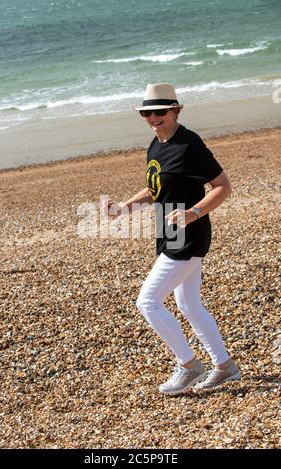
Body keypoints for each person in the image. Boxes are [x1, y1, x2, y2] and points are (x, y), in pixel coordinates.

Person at [105, 83, 240, 395]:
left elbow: (222, 186)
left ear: (176, 110)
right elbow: (156, 189)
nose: (153, 117)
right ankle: (225, 367)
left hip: (188, 234)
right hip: (168, 232)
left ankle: (189, 366)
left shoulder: (189, 145)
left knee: (148, 301)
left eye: (160, 112)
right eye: (147, 113)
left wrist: (193, 213)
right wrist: (124, 208)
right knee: (188, 303)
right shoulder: (157, 143)